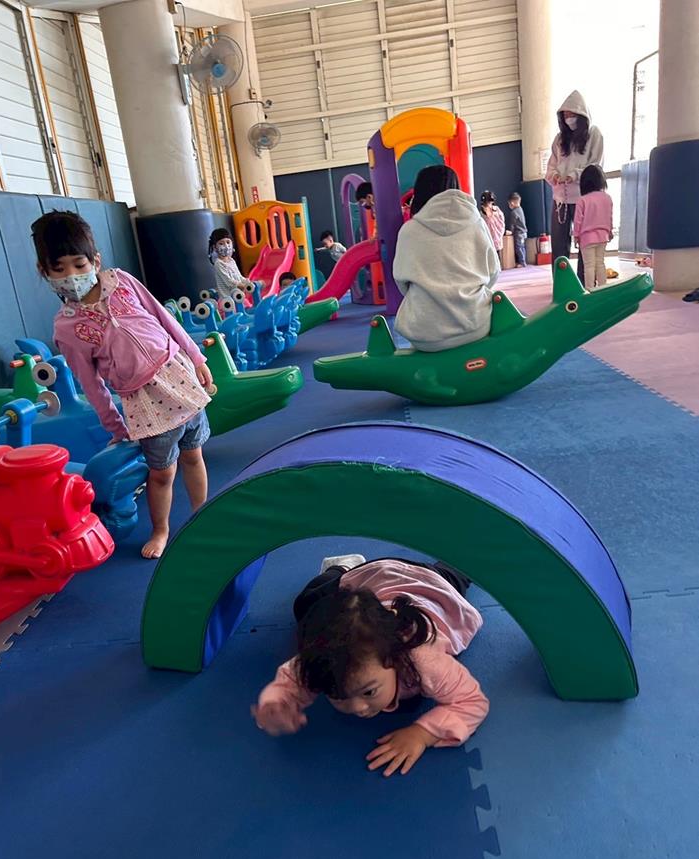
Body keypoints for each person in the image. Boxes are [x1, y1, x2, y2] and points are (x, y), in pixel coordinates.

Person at [31, 210, 214, 560]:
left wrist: (197, 358)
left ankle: (201, 514)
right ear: (45, 272)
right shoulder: (67, 327)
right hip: (145, 401)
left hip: (178, 375)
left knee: (194, 454)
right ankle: (161, 529)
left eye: (79, 265)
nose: (71, 276)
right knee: (162, 472)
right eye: (59, 269)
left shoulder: (123, 282)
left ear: (95, 261)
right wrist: (116, 426)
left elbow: (163, 317)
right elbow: (91, 384)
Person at [252, 555, 489, 777]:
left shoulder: (423, 659)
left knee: (455, 569)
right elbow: (292, 678)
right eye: (338, 696)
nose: (357, 708)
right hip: (374, 579)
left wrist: (423, 734)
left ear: (394, 659)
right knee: (304, 605)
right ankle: (344, 567)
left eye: (368, 692)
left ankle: (454, 561)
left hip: (432, 586)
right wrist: (278, 703)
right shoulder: (325, 657)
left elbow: (472, 702)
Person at [392, 164, 500, 351]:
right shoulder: (477, 224)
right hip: (476, 324)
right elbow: (493, 272)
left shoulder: (408, 231)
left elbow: (401, 282)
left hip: (425, 333)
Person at [545, 90, 604, 284]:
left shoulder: (594, 134)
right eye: (565, 115)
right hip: (561, 199)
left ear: (581, 114)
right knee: (559, 244)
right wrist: (554, 176)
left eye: (572, 114)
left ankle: (585, 283)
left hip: (584, 198)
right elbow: (551, 165)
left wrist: (575, 175)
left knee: (586, 244)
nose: (568, 119)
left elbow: (595, 165)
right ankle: (561, 284)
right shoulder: (559, 139)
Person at [573, 165, 614, 290]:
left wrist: (576, 236)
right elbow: (609, 216)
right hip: (603, 236)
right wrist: (610, 231)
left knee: (589, 266)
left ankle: (590, 290)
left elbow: (578, 221)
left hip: (587, 238)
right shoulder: (607, 198)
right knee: (600, 263)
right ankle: (603, 288)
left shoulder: (582, 200)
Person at [208, 228, 253, 301]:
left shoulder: (232, 261)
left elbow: (239, 277)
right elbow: (229, 282)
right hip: (228, 299)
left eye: (228, 242)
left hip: (238, 296)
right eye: (221, 243)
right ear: (215, 247)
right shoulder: (219, 263)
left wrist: (248, 282)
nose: (226, 246)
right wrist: (242, 286)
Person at [480, 190, 505, 261]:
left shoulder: (497, 210)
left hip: (496, 237)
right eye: (487, 202)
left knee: (497, 256)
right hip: (487, 239)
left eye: (489, 202)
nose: (488, 204)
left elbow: (501, 221)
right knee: (489, 257)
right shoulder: (481, 213)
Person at [506, 192, 527, 268]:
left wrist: (510, 231)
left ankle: (522, 262)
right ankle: (523, 261)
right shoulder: (520, 209)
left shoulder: (514, 212)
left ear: (511, 203)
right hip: (524, 232)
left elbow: (512, 224)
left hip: (519, 233)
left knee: (519, 247)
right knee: (522, 247)